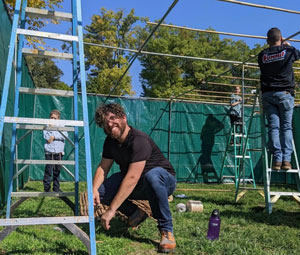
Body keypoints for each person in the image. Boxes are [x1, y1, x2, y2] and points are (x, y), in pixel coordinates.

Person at [93, 103, 177, 253]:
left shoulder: (139, 140)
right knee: (102, 190)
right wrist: (94, 190)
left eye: (113, 118)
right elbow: (103, 167)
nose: (110, 124)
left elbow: (132, 177)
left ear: (123, 118)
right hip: (139, 182)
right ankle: (135, 213)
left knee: (152, 176)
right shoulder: (110, 142)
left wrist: (112, 210)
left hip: (163, 180)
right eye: (105, 123)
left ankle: (166, 231)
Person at [258, 27, 300, 170]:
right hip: (285, 94)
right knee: (286, 127)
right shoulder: (288, 51)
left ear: (267, 40)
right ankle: (286, 161)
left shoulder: (262, 55)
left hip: (268, 94)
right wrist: (287, 45)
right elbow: (297, 54)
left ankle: (277, 159)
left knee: (274, 127)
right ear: (281, 39)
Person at [43, 110, 68, 192]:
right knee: (48, 170)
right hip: (49, 152)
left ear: (58, 119)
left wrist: (54, 136)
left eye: (55, 118)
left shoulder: (62, 125)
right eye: (51, 117)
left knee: (57, 171)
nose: (53, 119)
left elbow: (64, 135)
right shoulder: (46, 125)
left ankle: (56, 188)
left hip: (59, 152)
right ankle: (46, 189)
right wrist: (52, 130)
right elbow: (46, 136)